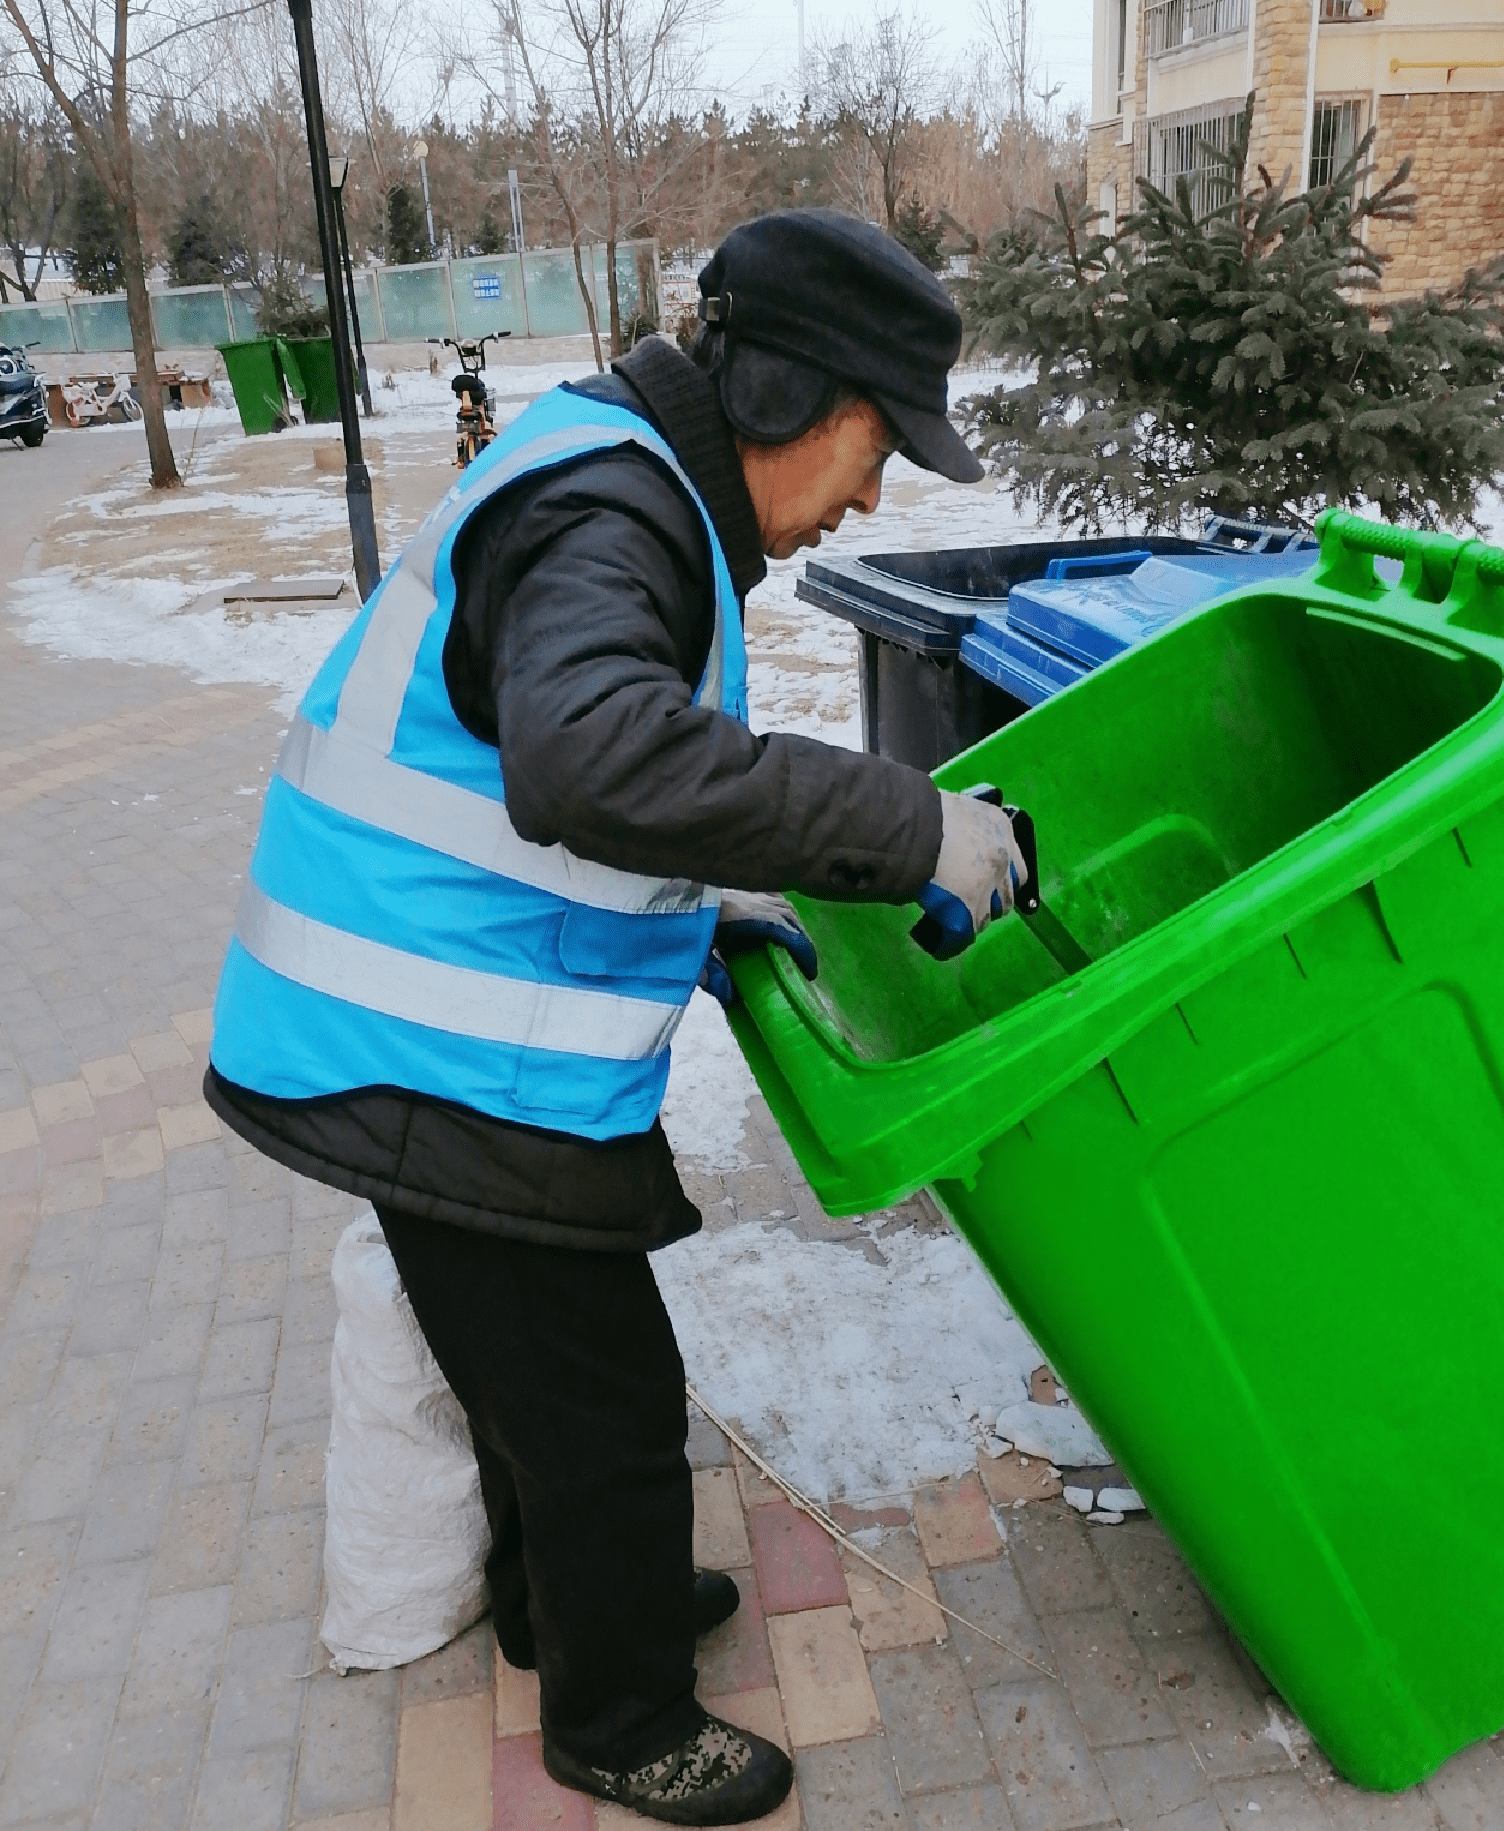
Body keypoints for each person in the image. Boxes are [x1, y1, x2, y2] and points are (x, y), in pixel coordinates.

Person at [204, 209, 1024, 1827]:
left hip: (411, 1024)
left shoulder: (618, 475)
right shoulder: (612, 508)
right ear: (794, 392)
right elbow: (592, 755)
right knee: (606, 1414)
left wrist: (700, 899)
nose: (870, 493)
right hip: (424, 1053)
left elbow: (542, 767)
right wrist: (909, 822)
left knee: (536, 1390)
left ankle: (561, 1604)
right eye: (876, 446)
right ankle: (620, 1714)